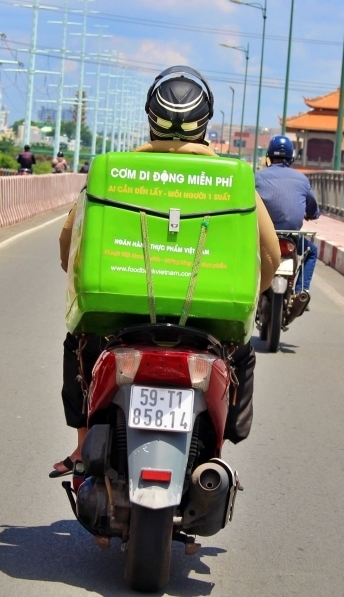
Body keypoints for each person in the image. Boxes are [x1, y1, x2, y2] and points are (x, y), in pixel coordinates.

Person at [50, 66, 280, 477]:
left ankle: (84, 447)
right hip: (211, 319)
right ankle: (214, 454)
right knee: (239, 355)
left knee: (79, 347)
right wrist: (247, 297)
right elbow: (272, 257)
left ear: (151, 115)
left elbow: (70, 246)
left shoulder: (113, 170)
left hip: (116, 315)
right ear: (204, 121)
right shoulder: (236, 180)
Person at [254, 135, 320, 321]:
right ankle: (300, 291)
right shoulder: (301, 179)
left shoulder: (258, 177)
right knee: (311, 252)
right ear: (291, 157)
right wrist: (312, 214)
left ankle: (249, 287)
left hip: (264, 236)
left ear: (269, 156)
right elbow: (312, 206)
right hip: (291, 236)